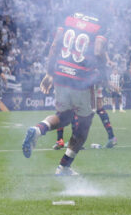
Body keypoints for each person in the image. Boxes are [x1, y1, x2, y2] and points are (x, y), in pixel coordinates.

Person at [21, 10, 108, 176]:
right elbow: (97, 51)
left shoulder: (69, 19)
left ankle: (38, 129)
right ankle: (63, 167)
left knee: (64, 116)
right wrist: (104, 72)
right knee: (84, 125)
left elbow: (54, 46)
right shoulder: (100, 24)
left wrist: (49, 73)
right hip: (81, 80)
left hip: (61, 75)